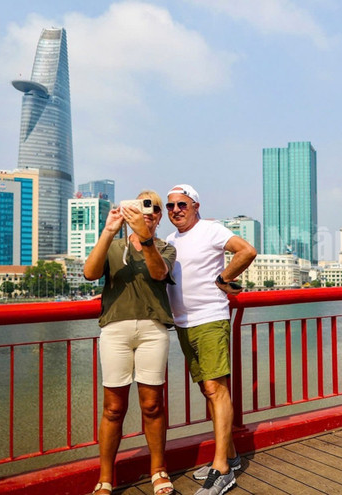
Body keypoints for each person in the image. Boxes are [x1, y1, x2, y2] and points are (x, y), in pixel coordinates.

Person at [165, 184, 257, 495]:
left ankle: (220, 469)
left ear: (195, 205)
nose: (176, 210)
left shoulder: (211, 230)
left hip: (209, 320)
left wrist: (224, 279)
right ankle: (230, 457)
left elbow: (247, 250)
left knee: (216, 389)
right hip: (183, 323)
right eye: (170, 206)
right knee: (209, 390)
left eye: (182, 204)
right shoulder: (169, 241)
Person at [83, 191, 176, 495]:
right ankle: (106, 477)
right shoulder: (114, 246)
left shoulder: (164, 247)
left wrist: (144, 237)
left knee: (152, 405)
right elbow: (90, 272)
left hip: (152, 330)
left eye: (153, 209)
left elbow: (159, 273)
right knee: (113, 408)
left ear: (159, 217)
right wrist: (109, 230)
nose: (146, 213)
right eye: (140, 207)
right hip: (115, 330)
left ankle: (159, 471)